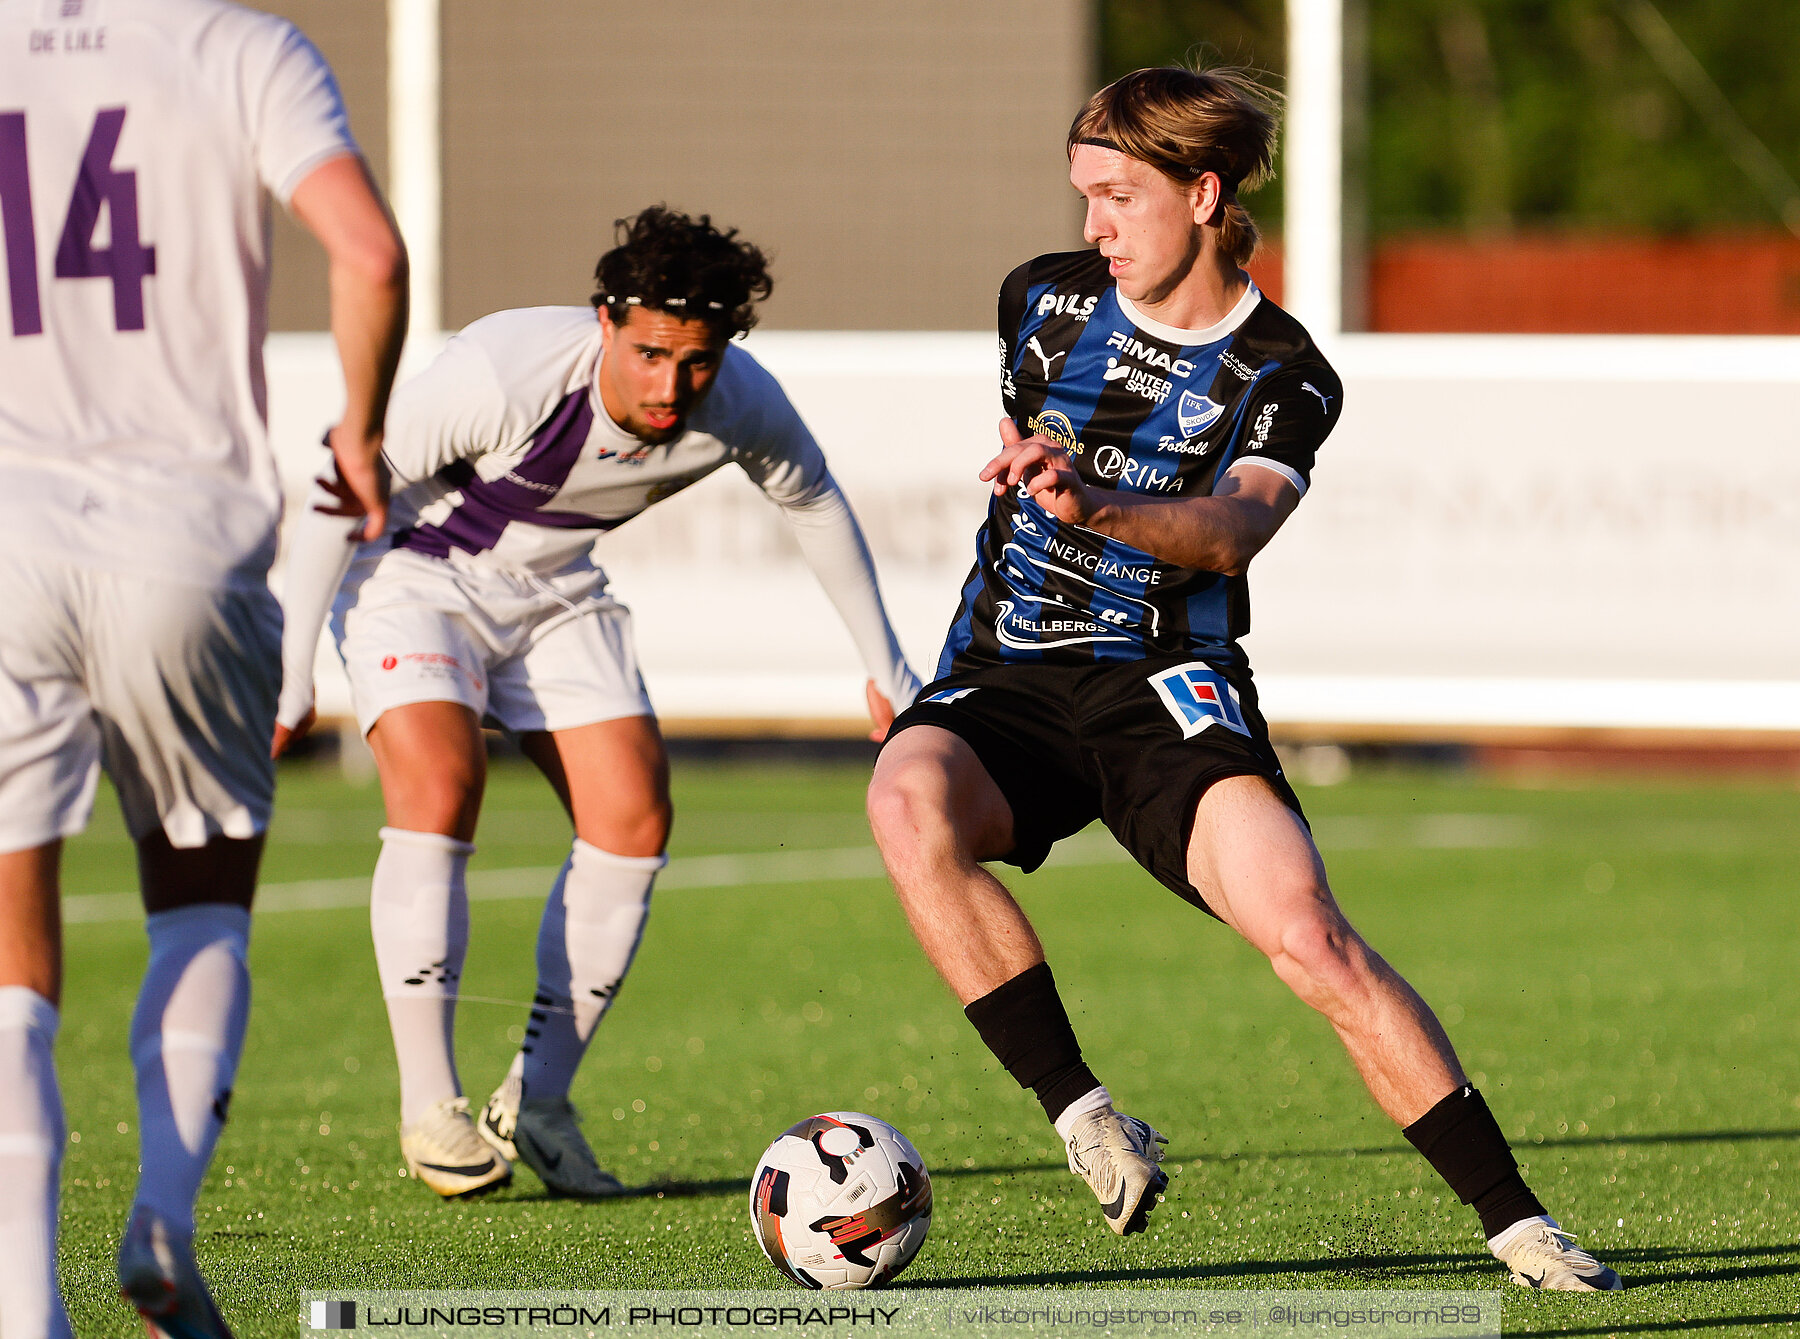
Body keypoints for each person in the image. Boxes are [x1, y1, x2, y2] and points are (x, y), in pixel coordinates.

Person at [865, 65, 1623, 1293]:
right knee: (905, 800)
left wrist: (1097, 503)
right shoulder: (1040, 303)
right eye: (1084, 199)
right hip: (1005, 673)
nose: (1092, 228)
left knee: (1311, 934)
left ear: (1203, 193)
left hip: (1165, 685)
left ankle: (1516, 1221)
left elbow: (1232, 532)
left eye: (1117, 197)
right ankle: (1085, 1114)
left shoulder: (1284, 371)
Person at [275, 206, 920, 1201]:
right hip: (413, 574)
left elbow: (814, 499)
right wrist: (288, 666)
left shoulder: (740, 401)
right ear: (606, 320)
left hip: (555, 590)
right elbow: (345, 465)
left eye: (696, 361)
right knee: (443, 782)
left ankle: (536, 1102)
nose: (671, 387)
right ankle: (429, 1106)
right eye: (651, 353)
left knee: (633, 818)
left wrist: (885, 665)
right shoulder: (507, 368)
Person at [0, 0, 407, 1334]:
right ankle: (164, 1213)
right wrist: (359, 425)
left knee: (11, 954)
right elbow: (371, 250)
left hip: (5, 541)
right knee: (197, 903)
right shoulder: (244, 50)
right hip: (182, 539)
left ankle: (21, 1307)